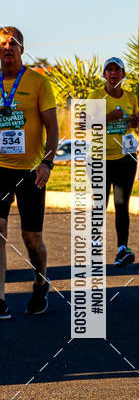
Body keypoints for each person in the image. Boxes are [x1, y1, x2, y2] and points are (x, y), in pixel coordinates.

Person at [0, 26, 58, 317]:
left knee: (31, 239)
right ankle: (0, 298)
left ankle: (40, 283)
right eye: (2, 44)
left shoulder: (38, 82)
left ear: (22, 48)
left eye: (12, 43)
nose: (7, 48)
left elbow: (53, 128)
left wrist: (47, 163)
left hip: (31, 170)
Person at [91, 58, 139, 267]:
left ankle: (122, 249)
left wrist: (135, 121)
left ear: (123, 74)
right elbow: (87, 122)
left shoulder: (131, 97)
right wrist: (109, 116)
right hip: (100, 158)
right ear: (104, 75)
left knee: (122, 204)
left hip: (125, 158)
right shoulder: (95, 96)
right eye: (109, 70)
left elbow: (133, 121)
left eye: (116, 70)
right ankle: (94, 244)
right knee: (101, 203)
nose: (113, 73)